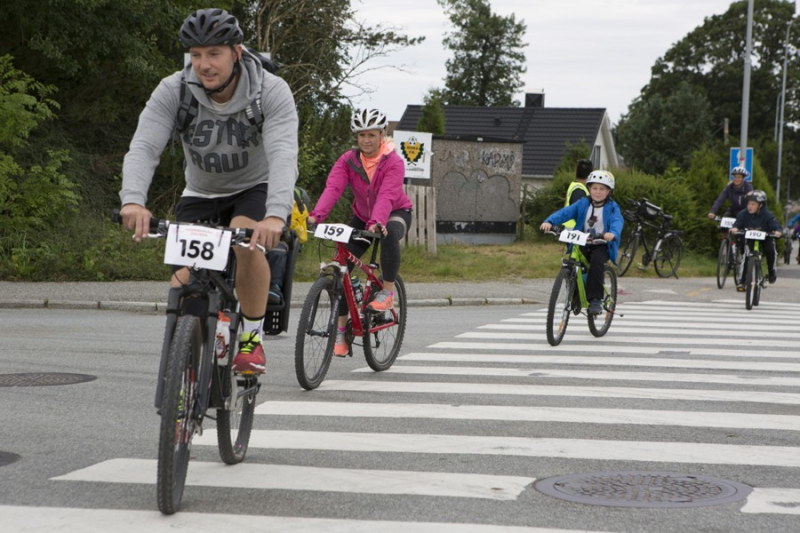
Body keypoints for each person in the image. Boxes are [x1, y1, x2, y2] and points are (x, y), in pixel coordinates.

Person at [119, 8, 299, 374]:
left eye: (213, 53)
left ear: (236, 52)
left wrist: (276, 215)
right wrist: (133, 201)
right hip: (200, 192)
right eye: (196, 54)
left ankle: (251, 339)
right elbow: (143, 147)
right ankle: (186, 375)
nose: (203, 64)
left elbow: (283, 155)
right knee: (184, 280)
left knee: (245, 244)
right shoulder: (174, 89)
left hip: (254, 187)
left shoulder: (270, 91)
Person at [307, 108, 413, 356]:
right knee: (341, 269)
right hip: (363, 217)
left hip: (395, 212)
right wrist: (316, 216)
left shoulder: (394, 162)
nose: (366, 140)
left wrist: (378, 221)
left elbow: (387, 195)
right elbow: (333, 188)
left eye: (371, 135)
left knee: (388, 235)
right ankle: (342, 332)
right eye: (361, 135)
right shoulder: (348, 160)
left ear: (381, 134)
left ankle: (386, 292)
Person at [540, 170, 623, 315]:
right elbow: (566, 212)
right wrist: (550, 221)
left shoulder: (612, 207)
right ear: (589, 188)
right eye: (594, 188)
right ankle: (575, 296)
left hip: (601, 243)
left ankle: (595, 299)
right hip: (583, 241)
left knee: (596, 263)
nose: (597, 192)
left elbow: (617, 221)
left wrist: (612, 233)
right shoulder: (583, 203)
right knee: (572, 264)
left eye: (602, 189)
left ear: (609, 191)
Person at [729, 190, 782, 285]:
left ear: (760, 205)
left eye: (753, 204)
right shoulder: (743, 214)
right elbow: (737, 224)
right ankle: (743, 279)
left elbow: (775, 225)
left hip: (765, 238)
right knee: (746, 255)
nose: (750, 206)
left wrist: (777, 231)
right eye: (749, 204)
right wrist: (735, 229)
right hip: (750, 239)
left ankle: (771, 271)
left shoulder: (767, 215)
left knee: (771, 251)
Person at [563, 159, 592, 229]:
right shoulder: (579, 191)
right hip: (575, 232)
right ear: (590, 175)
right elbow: (578, 213)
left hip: (570, 230)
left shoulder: (574, 186)